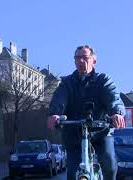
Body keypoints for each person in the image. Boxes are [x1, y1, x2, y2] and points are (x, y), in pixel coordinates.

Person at [47, 45, 126, 180]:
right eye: (77, 58)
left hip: (101, 132)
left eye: (85, 57)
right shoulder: (67, 83)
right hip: (74, 133)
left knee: (109, 165)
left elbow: (113, 98)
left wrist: (116, 113)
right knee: (72, 173)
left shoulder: (103, 80)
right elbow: (59, 99)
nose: (81, 61)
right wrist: (55, 114)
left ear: (94, 60)